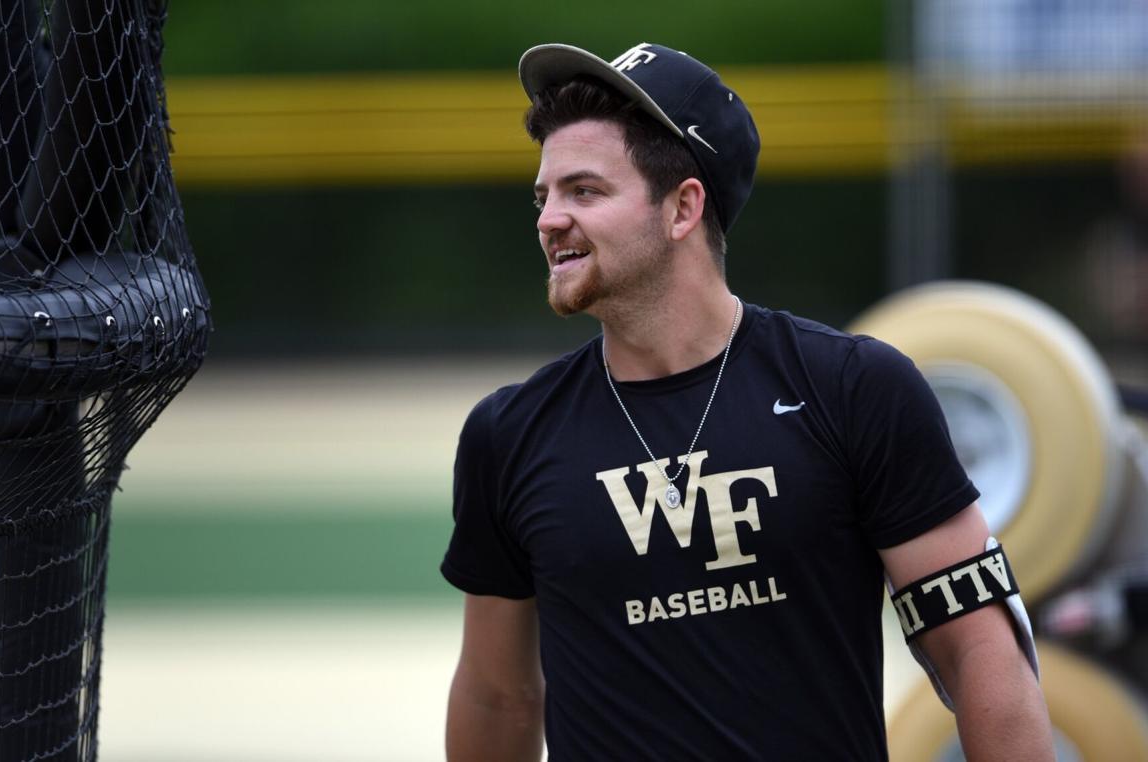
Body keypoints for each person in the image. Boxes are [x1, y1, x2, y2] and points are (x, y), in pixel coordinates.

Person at [441, 42, 1053, 760]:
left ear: (682, 208)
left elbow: (978, 650)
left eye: (584, 192)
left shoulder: (854, 390)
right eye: (544, 197)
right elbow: (496, 694)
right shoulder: (509, 435)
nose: (548, 221)